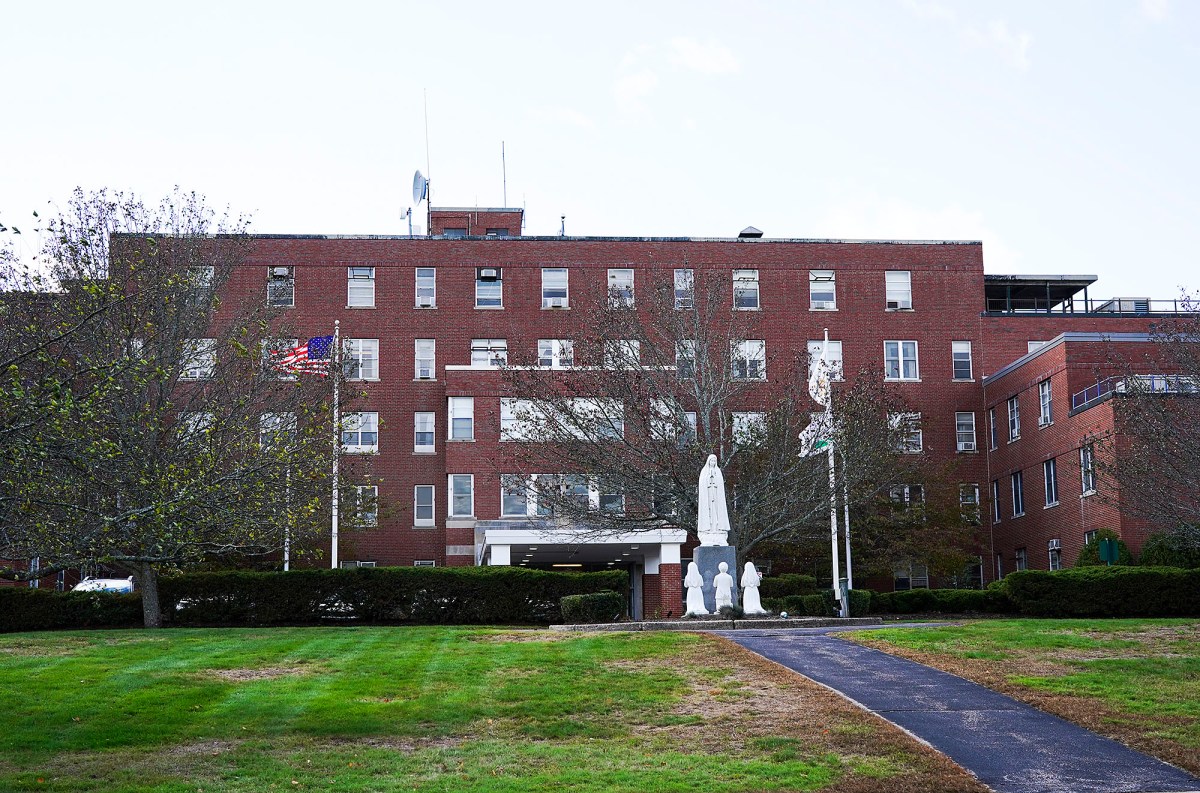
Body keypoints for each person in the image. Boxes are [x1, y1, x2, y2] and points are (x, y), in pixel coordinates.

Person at [696, 455, 731, 546]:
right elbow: (702, 484)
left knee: (716, 513)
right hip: (708, 497)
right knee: (709, 514)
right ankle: (708, 532)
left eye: (715, 461)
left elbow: (720, 484)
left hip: (716, 496)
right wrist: (708, 479)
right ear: (708, 462)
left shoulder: (718, 472)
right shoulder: (704, 472)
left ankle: (718, 531)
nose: (713, 463)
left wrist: (715, 479)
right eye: (712, 461)